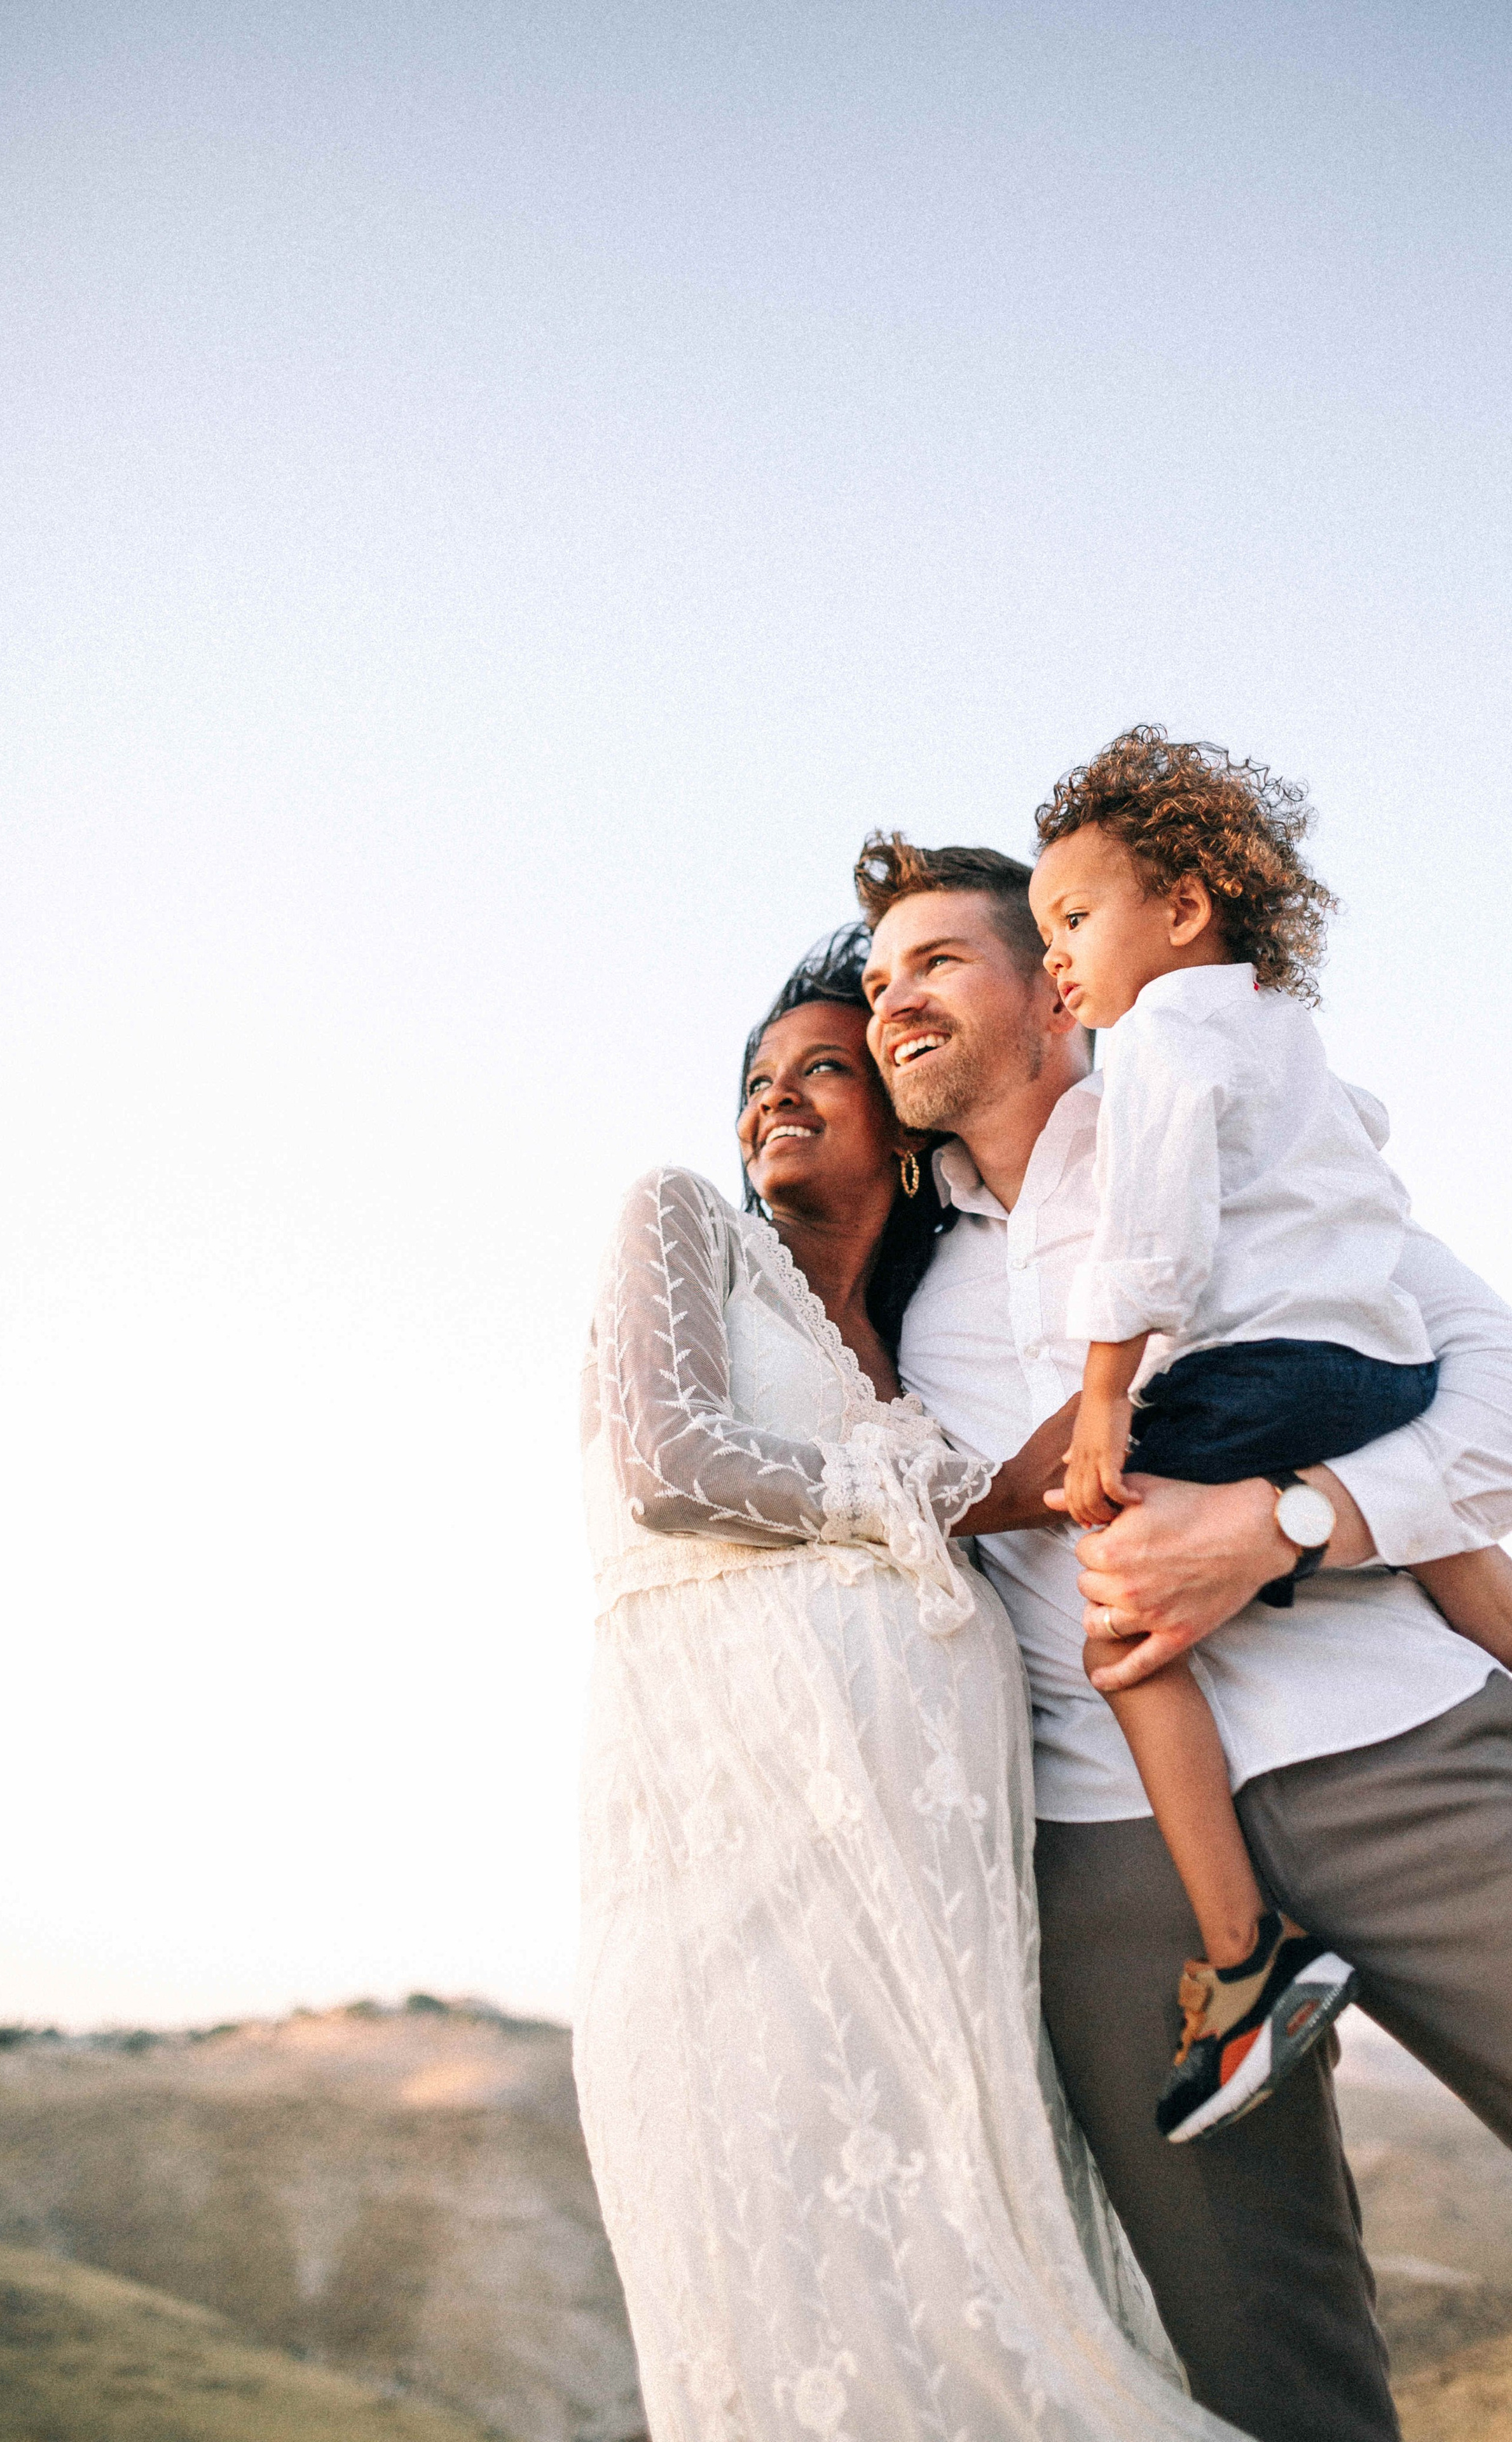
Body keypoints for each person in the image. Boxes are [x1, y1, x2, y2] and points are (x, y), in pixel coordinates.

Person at [855, 771, 1512, 2442]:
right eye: (875, 982)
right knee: (1274, 2387)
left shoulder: (1243, 1149)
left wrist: (1285, 1525)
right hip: (1123, 1876)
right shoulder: (893, 1296)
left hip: (1401, 1751)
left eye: (935, 963)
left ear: (1058, 987)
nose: (894, 999)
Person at [574, 929, 1246, 2442]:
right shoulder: (684, 1224)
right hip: (728, 1892)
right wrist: (943, 1504)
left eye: (823, 1068)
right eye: (757, 1079)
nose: (776, 1101)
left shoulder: (937, 1343)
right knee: (808, 2297)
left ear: (896, 1105)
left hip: (939, 1907)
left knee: (981, 2264)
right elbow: (671, 1465)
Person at [1027, 740, 1512, 2147]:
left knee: (1118, 1616)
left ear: (1186, 904)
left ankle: (1241, 1959)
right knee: (1488, 1594)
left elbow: (1148, 1249)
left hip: (1269, 1379)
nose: (1058, 965)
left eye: (1071, 924)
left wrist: (1102, 1407)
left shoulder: (1159, 1040)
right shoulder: (1279, 1028)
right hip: (1370, 1366)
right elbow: (1355, 1157)